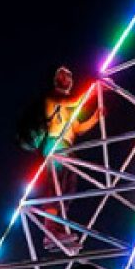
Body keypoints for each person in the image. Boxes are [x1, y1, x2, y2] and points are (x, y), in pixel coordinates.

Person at [40, 67, 102, 252]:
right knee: (56, 187)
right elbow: (74, 101)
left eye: (69, 76)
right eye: (63, 76)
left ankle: (58, 229)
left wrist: (95, 117)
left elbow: (78, 128)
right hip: (56, 144)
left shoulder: (67, 106)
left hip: (67, 146)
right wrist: (92, 90)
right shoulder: (54, 98)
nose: (67, 79)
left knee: (68, 189)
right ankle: (50, 232)